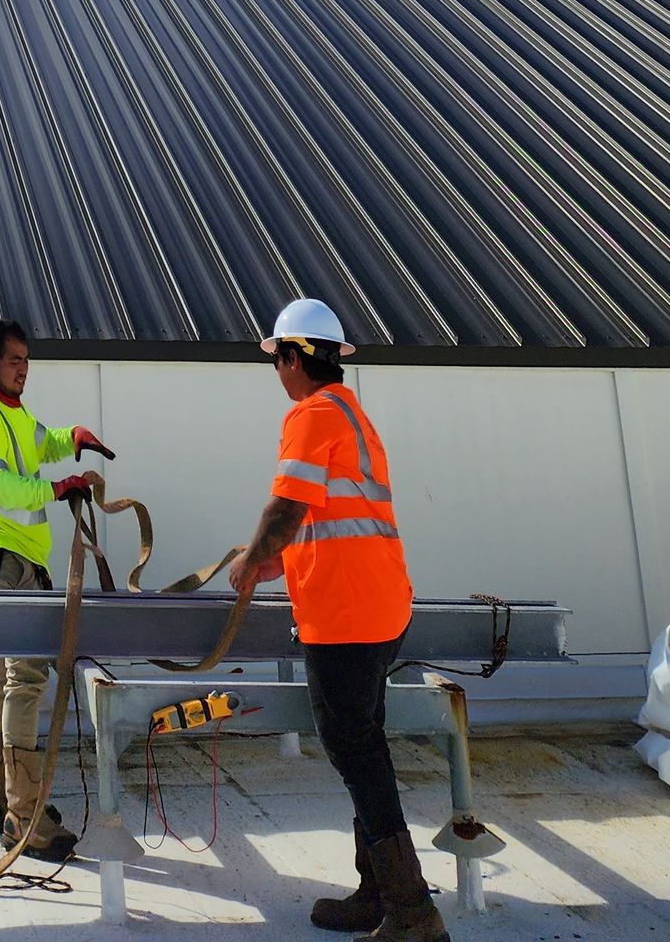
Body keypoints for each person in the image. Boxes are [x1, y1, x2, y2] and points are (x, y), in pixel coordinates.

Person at [227, 299, 446, 941]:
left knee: (354, 748)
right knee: (364, 746)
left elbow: (286, 507)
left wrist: (250, 559)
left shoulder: (310, 414)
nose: (278, 371)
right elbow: (332, 517)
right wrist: (281, 563)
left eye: (278, 359)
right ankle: (377, 893)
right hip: (381, 606)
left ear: (294, 358)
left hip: (346, 616)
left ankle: (410, 910)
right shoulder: (353, 416)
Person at [0, 314, 110, 860]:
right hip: (4, 559)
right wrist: (60, 485)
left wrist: (73, 440)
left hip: (3, 558)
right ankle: (24, 818)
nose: (23, 370)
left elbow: (41, 444)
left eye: (26, 361)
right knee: (23, 678)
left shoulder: (11, 413)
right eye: (14, 360)